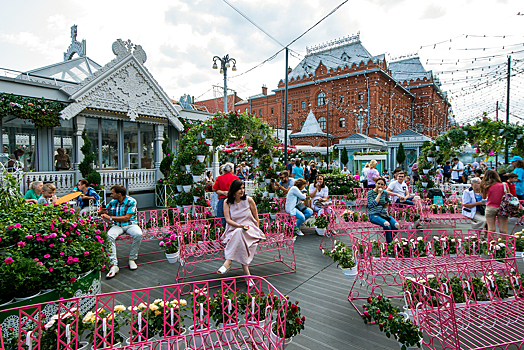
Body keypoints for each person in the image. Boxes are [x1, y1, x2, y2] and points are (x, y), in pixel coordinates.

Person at [217, 180, 266, 286]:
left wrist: (257, 230)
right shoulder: (227, 202)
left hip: (250, 230)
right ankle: (247, 275)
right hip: (234, 230)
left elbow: (256, 217)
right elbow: (228, 220)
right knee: (239, 234)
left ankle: (228, 261)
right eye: (239, 188)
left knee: (240, 234)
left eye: (243, 188)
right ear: (233, 190)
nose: (242, 190)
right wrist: (240, 226)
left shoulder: (249, 200)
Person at [100, 185, 143, 278]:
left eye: (112, 193)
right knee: (109, 236)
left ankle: (132, 259)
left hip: (130, 224)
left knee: (138, 234)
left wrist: (110, 217)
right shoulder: (113, 202)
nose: (110, 195)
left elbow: (126, 218)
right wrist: (102, 211)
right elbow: (105, 211)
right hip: (117, 225)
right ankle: (114, 265)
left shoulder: (131, 201)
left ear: (119, 194)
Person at [367, 178, 399, 243]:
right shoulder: (370, 193)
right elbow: (372, 204)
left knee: (396, 225)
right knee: (386, 224)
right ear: (375, 184)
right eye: (378, 183)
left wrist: (387, 203)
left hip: (384, 214)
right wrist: (379, 194)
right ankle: (389, 244)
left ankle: (388, 240)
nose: (380, 186)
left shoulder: (385, 193)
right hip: (374, 214)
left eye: (382, 184)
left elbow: (388, 200)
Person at [480, 170, 508, 235]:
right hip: (502, 208)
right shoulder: (504, 185)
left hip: (490, 208)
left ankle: (491, 244)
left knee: (491, 229)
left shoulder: (486, 186)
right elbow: (509, 196)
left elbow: (484, 197)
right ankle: (504, 244)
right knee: (503, 230)